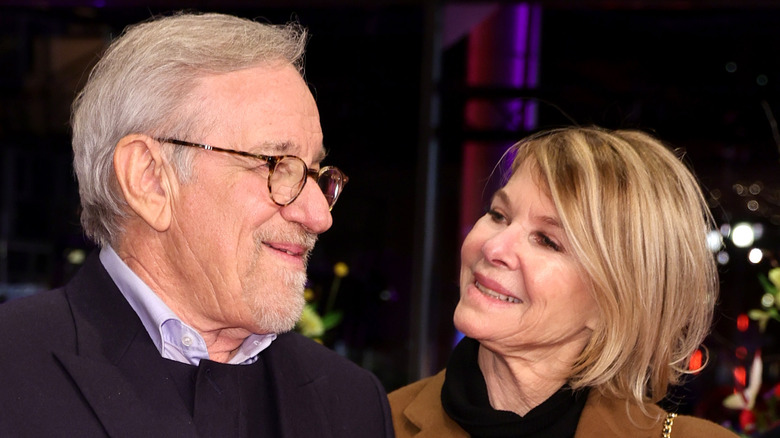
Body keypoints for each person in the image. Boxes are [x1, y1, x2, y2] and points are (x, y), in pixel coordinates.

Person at [0, 12, 393, 437]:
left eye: (316, 173)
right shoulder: (11, 371)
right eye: (277, 165)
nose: (319, 215)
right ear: (149, 179)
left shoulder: (352, 404)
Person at [390, 126, 738, 437]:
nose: (494, 247)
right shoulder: (374, 422)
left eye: (547, 240)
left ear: (615, 301)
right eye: (498, 215)